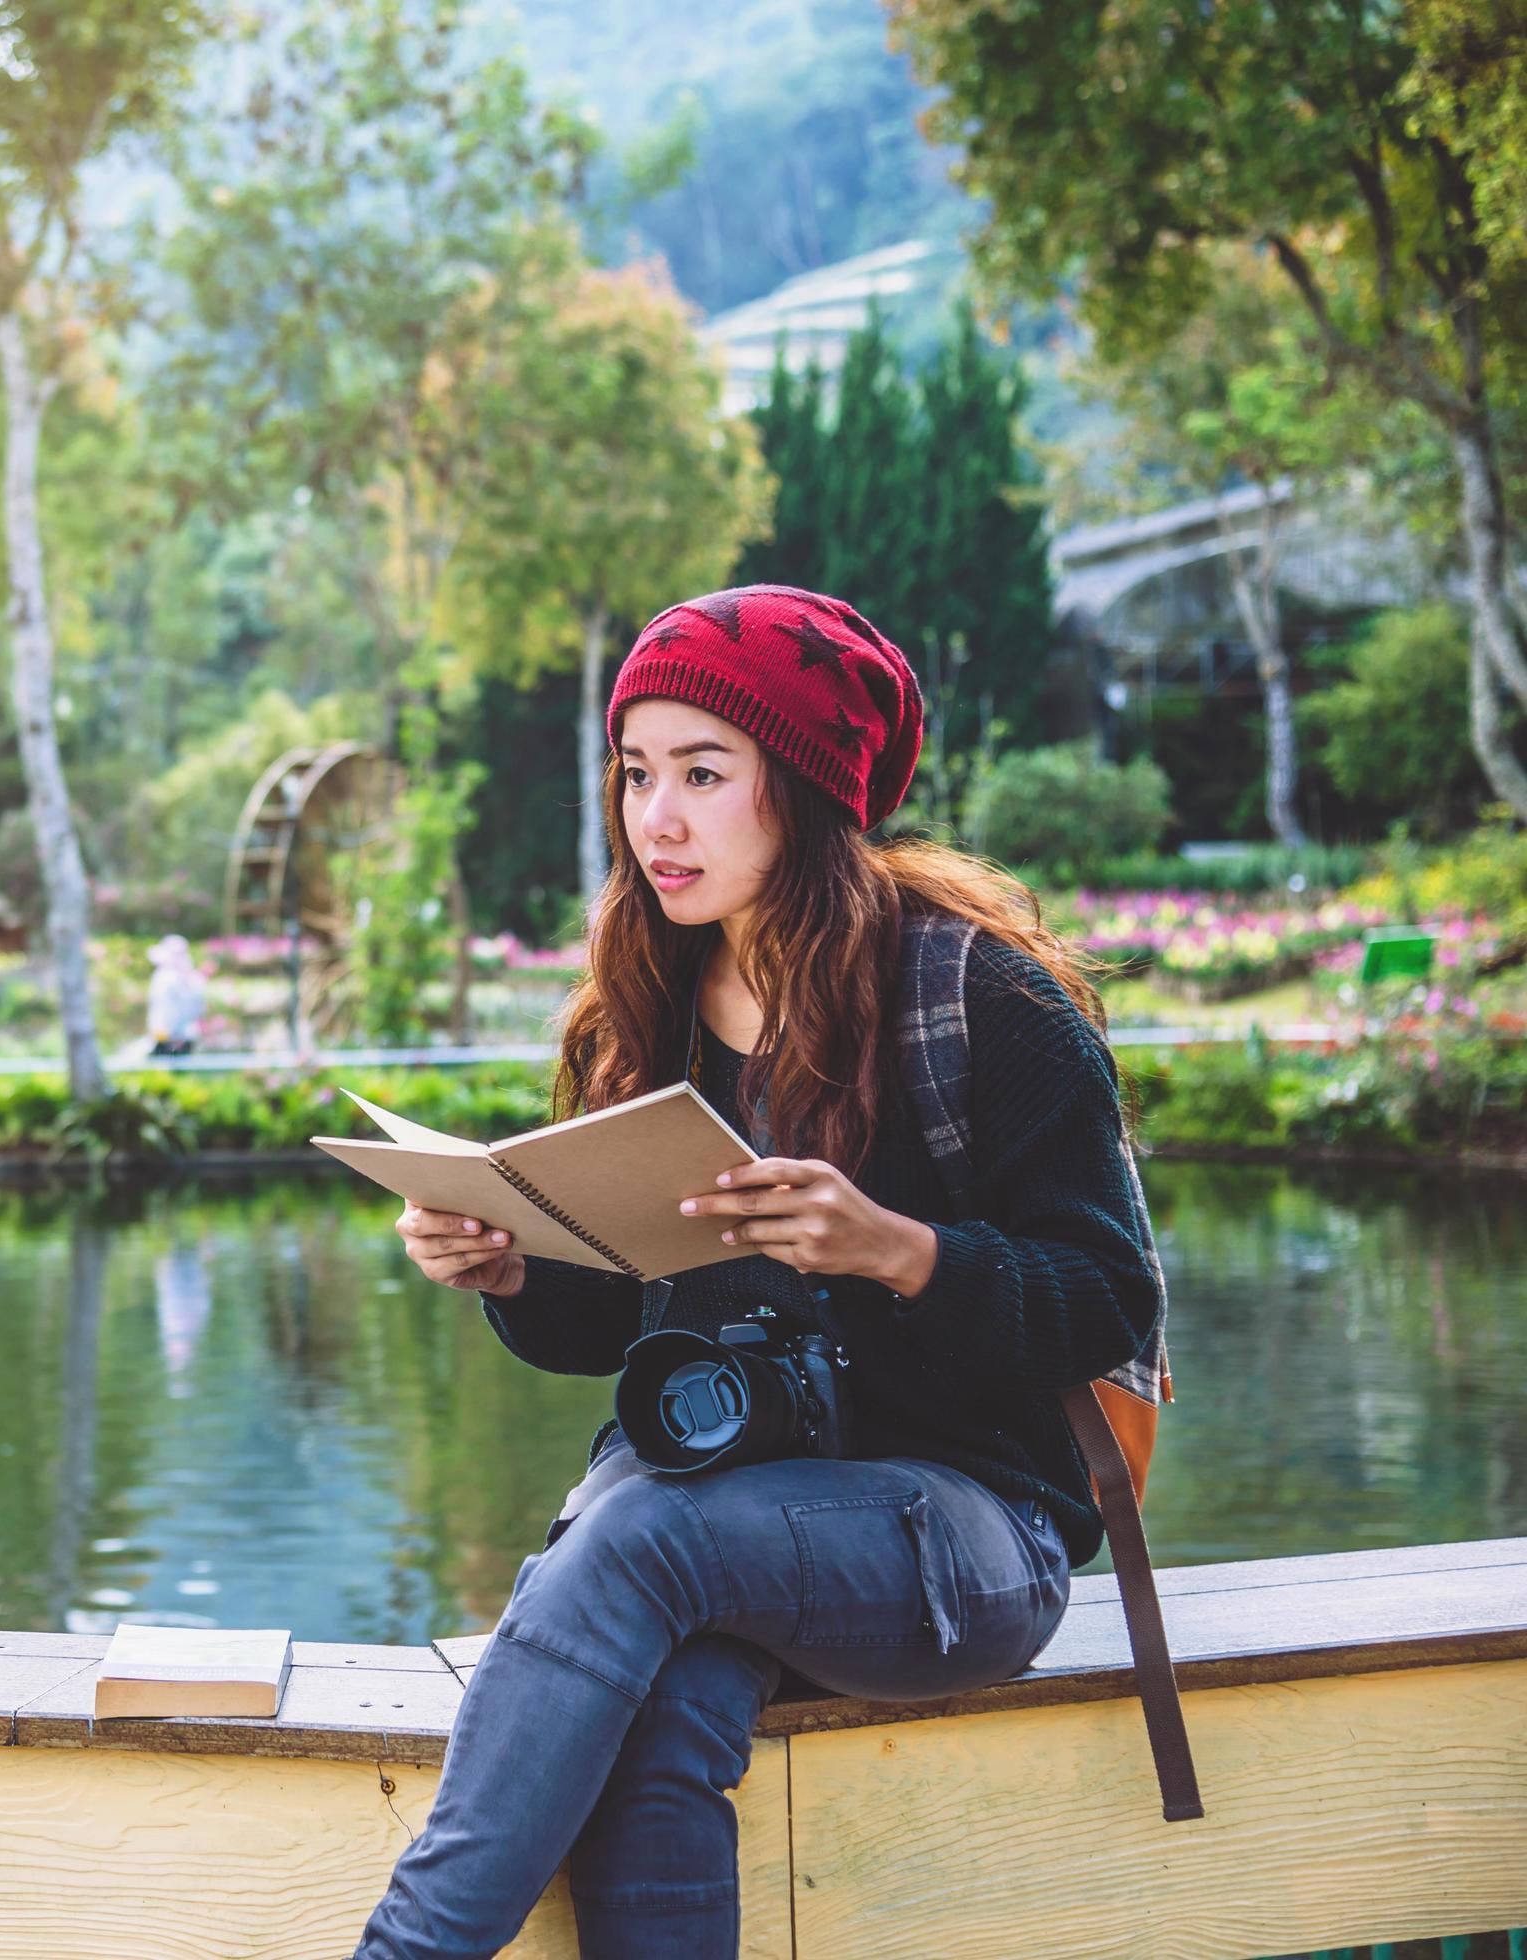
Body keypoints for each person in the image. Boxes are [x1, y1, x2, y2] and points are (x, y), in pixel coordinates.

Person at [356, 586, 1163, 1960]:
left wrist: (898, 1254)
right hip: (732, 1511)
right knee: (665, 1718)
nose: (654, 819)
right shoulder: (644, 1003)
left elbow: (1107, 1296)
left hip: (972, 1535)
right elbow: (614, 1314)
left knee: (636, 1540)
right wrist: (508, 1266)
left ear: (799, 787)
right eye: (636, 773)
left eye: (702, 775)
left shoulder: (978, 996)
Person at [145, 934, 207, 1057]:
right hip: (173, 1035)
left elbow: (175, 1011)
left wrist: (171, 1034)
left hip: (173, 1036)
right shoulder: (183, 977)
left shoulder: (169, 978)